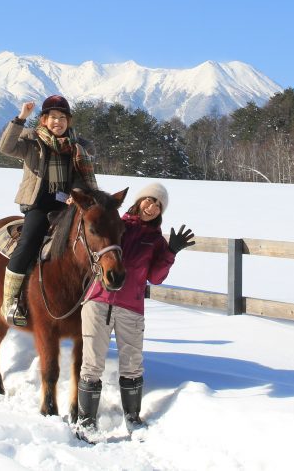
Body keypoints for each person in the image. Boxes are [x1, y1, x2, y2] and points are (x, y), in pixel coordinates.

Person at [76, 182, 195, 435]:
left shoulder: (155, 241)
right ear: (140, 200)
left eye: (158, 205)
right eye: (149, 200)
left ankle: (132, 417)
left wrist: (171, 251)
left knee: (132, 364)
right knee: (92, 363)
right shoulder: (117, 224)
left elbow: (156, 277)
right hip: (98, 300)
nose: (151, 207)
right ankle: (86, 422)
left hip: (131, 306)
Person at [0, 94, 98, 324]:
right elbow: (5, 147)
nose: (58, 122)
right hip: (39, 205)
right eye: (52, 117)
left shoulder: (76, 147)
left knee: (92, 241)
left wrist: (76, 194)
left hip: (67, 207)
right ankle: (10, 300)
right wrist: (21, 117)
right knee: (29, 242)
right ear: (43, 120)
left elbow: (81, 178)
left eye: (62, 118)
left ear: (68, 121)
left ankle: (92, 300)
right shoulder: (32, 142)